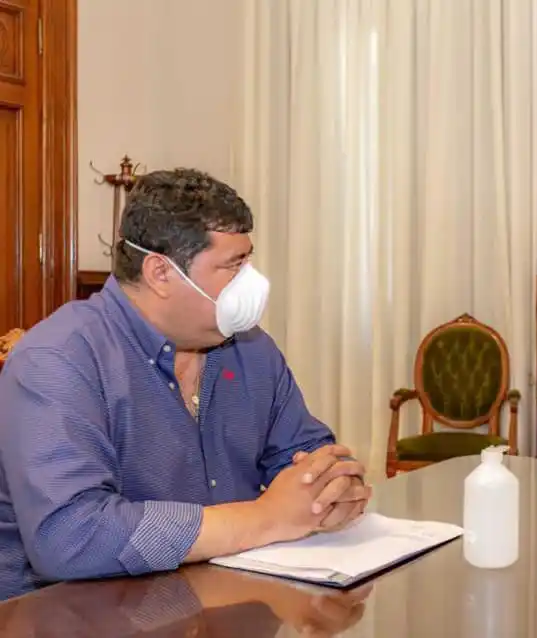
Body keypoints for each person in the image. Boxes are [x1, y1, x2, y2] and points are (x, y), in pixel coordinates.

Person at [0, 169, 371, 601]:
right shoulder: (57, 360)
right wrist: (265, 517)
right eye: (233, 265)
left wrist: (330, 492)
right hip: (75, 615)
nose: (252, 283)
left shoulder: (251, 349)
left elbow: (307, 458)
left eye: (248, 260)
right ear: (160, 272)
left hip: (222, 601)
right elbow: (70, 536)